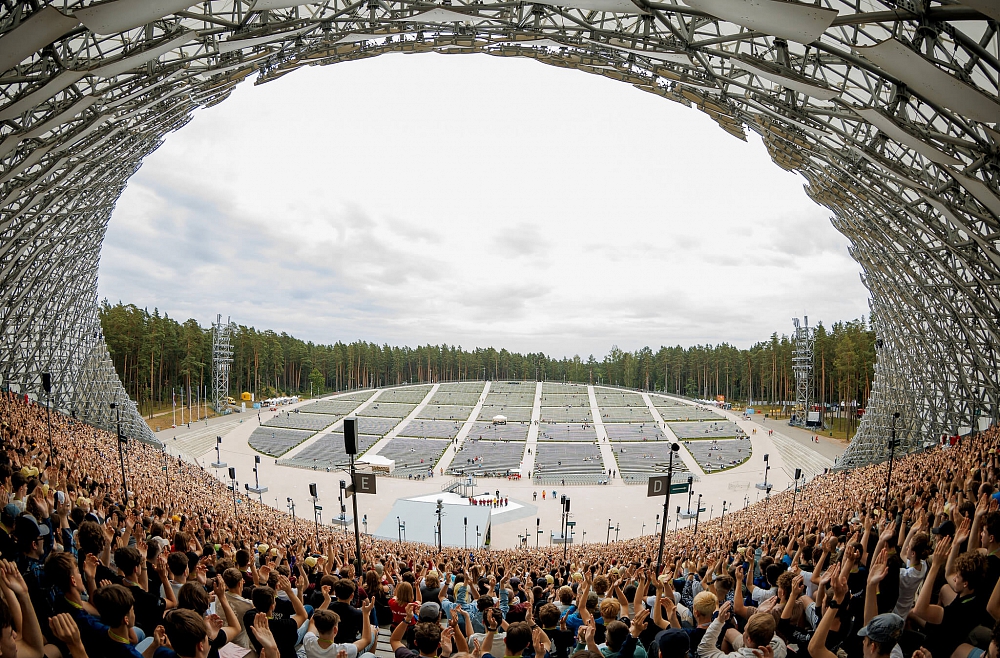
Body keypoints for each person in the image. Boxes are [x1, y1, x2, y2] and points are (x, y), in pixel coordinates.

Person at [303, 597, 375, 658]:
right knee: (369, 655)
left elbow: (312, 621)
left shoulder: (308, 641)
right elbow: (366, 640)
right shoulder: (344, 650)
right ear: (335, 630)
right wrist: (365, 614)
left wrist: (327, 601)